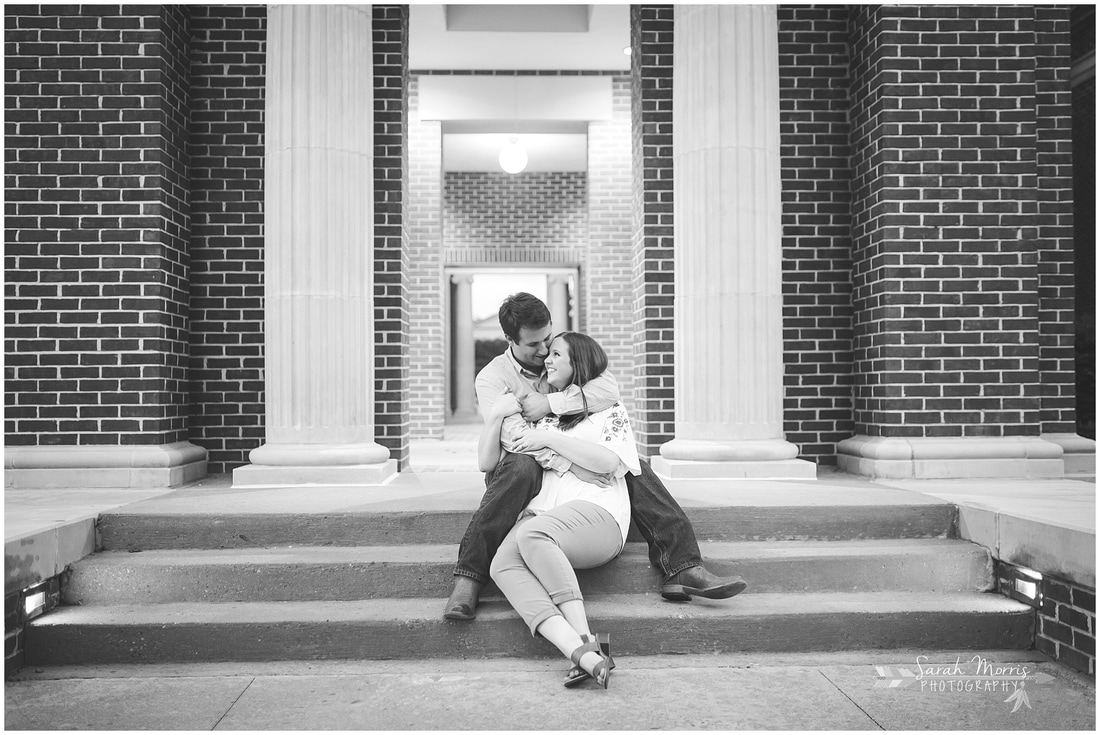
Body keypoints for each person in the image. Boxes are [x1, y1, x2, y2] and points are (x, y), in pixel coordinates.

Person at [443, 292, 747, 620]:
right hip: (523, 467)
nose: (545, 351)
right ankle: (469, 577)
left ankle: (682, 567)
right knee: (520, 467)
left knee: (633, 465)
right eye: (534, 345)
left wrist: (550, 404)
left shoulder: (567, 351)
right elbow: (517, 439)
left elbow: (607, 391)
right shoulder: (493, 377)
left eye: (548, 339)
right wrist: (572, 464)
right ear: (509, 339)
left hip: (570, 456)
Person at [484, 332, 633, 689]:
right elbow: (490, 460)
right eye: (547, 355)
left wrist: (551, 439)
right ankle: (580, 653)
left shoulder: (608, 411)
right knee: (502, 564)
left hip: (598, 514)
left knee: (533, 534)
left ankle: (585, 638)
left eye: (556, 355)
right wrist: (495, 420)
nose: (546, 361)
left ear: (577, 363)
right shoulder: (538, 417)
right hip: (545, 515)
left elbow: (608, 462)